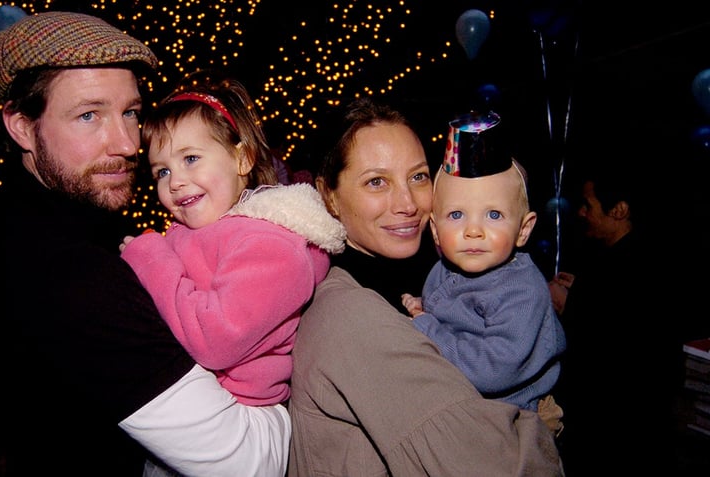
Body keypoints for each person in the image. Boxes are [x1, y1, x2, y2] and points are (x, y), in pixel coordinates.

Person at [0, 11, 289, 476]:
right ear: (22, 127)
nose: (129, 144)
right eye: (89, 115)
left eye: (130, 112)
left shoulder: (83, 221)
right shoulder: (67, 273)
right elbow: (249, 463)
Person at [287, 97, 564, 476]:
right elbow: (499, 466)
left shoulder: (438, 272)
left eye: (418, 177)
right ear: (329, 195)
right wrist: (540, 433)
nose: (407, 203)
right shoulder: (357, 316)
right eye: (376, 182)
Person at [119, 72, 345, 406]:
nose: (176, 181)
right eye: (162, 172)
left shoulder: (270, 245)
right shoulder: (196, 233)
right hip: (200, 396)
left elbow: (216, 341)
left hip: (240, 409)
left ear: (242, 158)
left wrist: (152, 261)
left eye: (191, 158)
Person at [401, 112, 566, 415]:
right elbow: (451, 313)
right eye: (456, 215)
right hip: (460, 398)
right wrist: (423, 307)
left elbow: (492, 370)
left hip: (507, 417)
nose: (473, 230)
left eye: (493, 215)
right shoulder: (446, 268)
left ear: (524, 230)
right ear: (435, 230)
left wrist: (427, 327)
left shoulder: (522, 292)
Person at [546, 157, 682, 475]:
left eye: (588, 205)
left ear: (618, 210)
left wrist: (570, 306)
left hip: (618, 431)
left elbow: (614, 350)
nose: (581, 212)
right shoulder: (639, 256)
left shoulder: (625, 270)